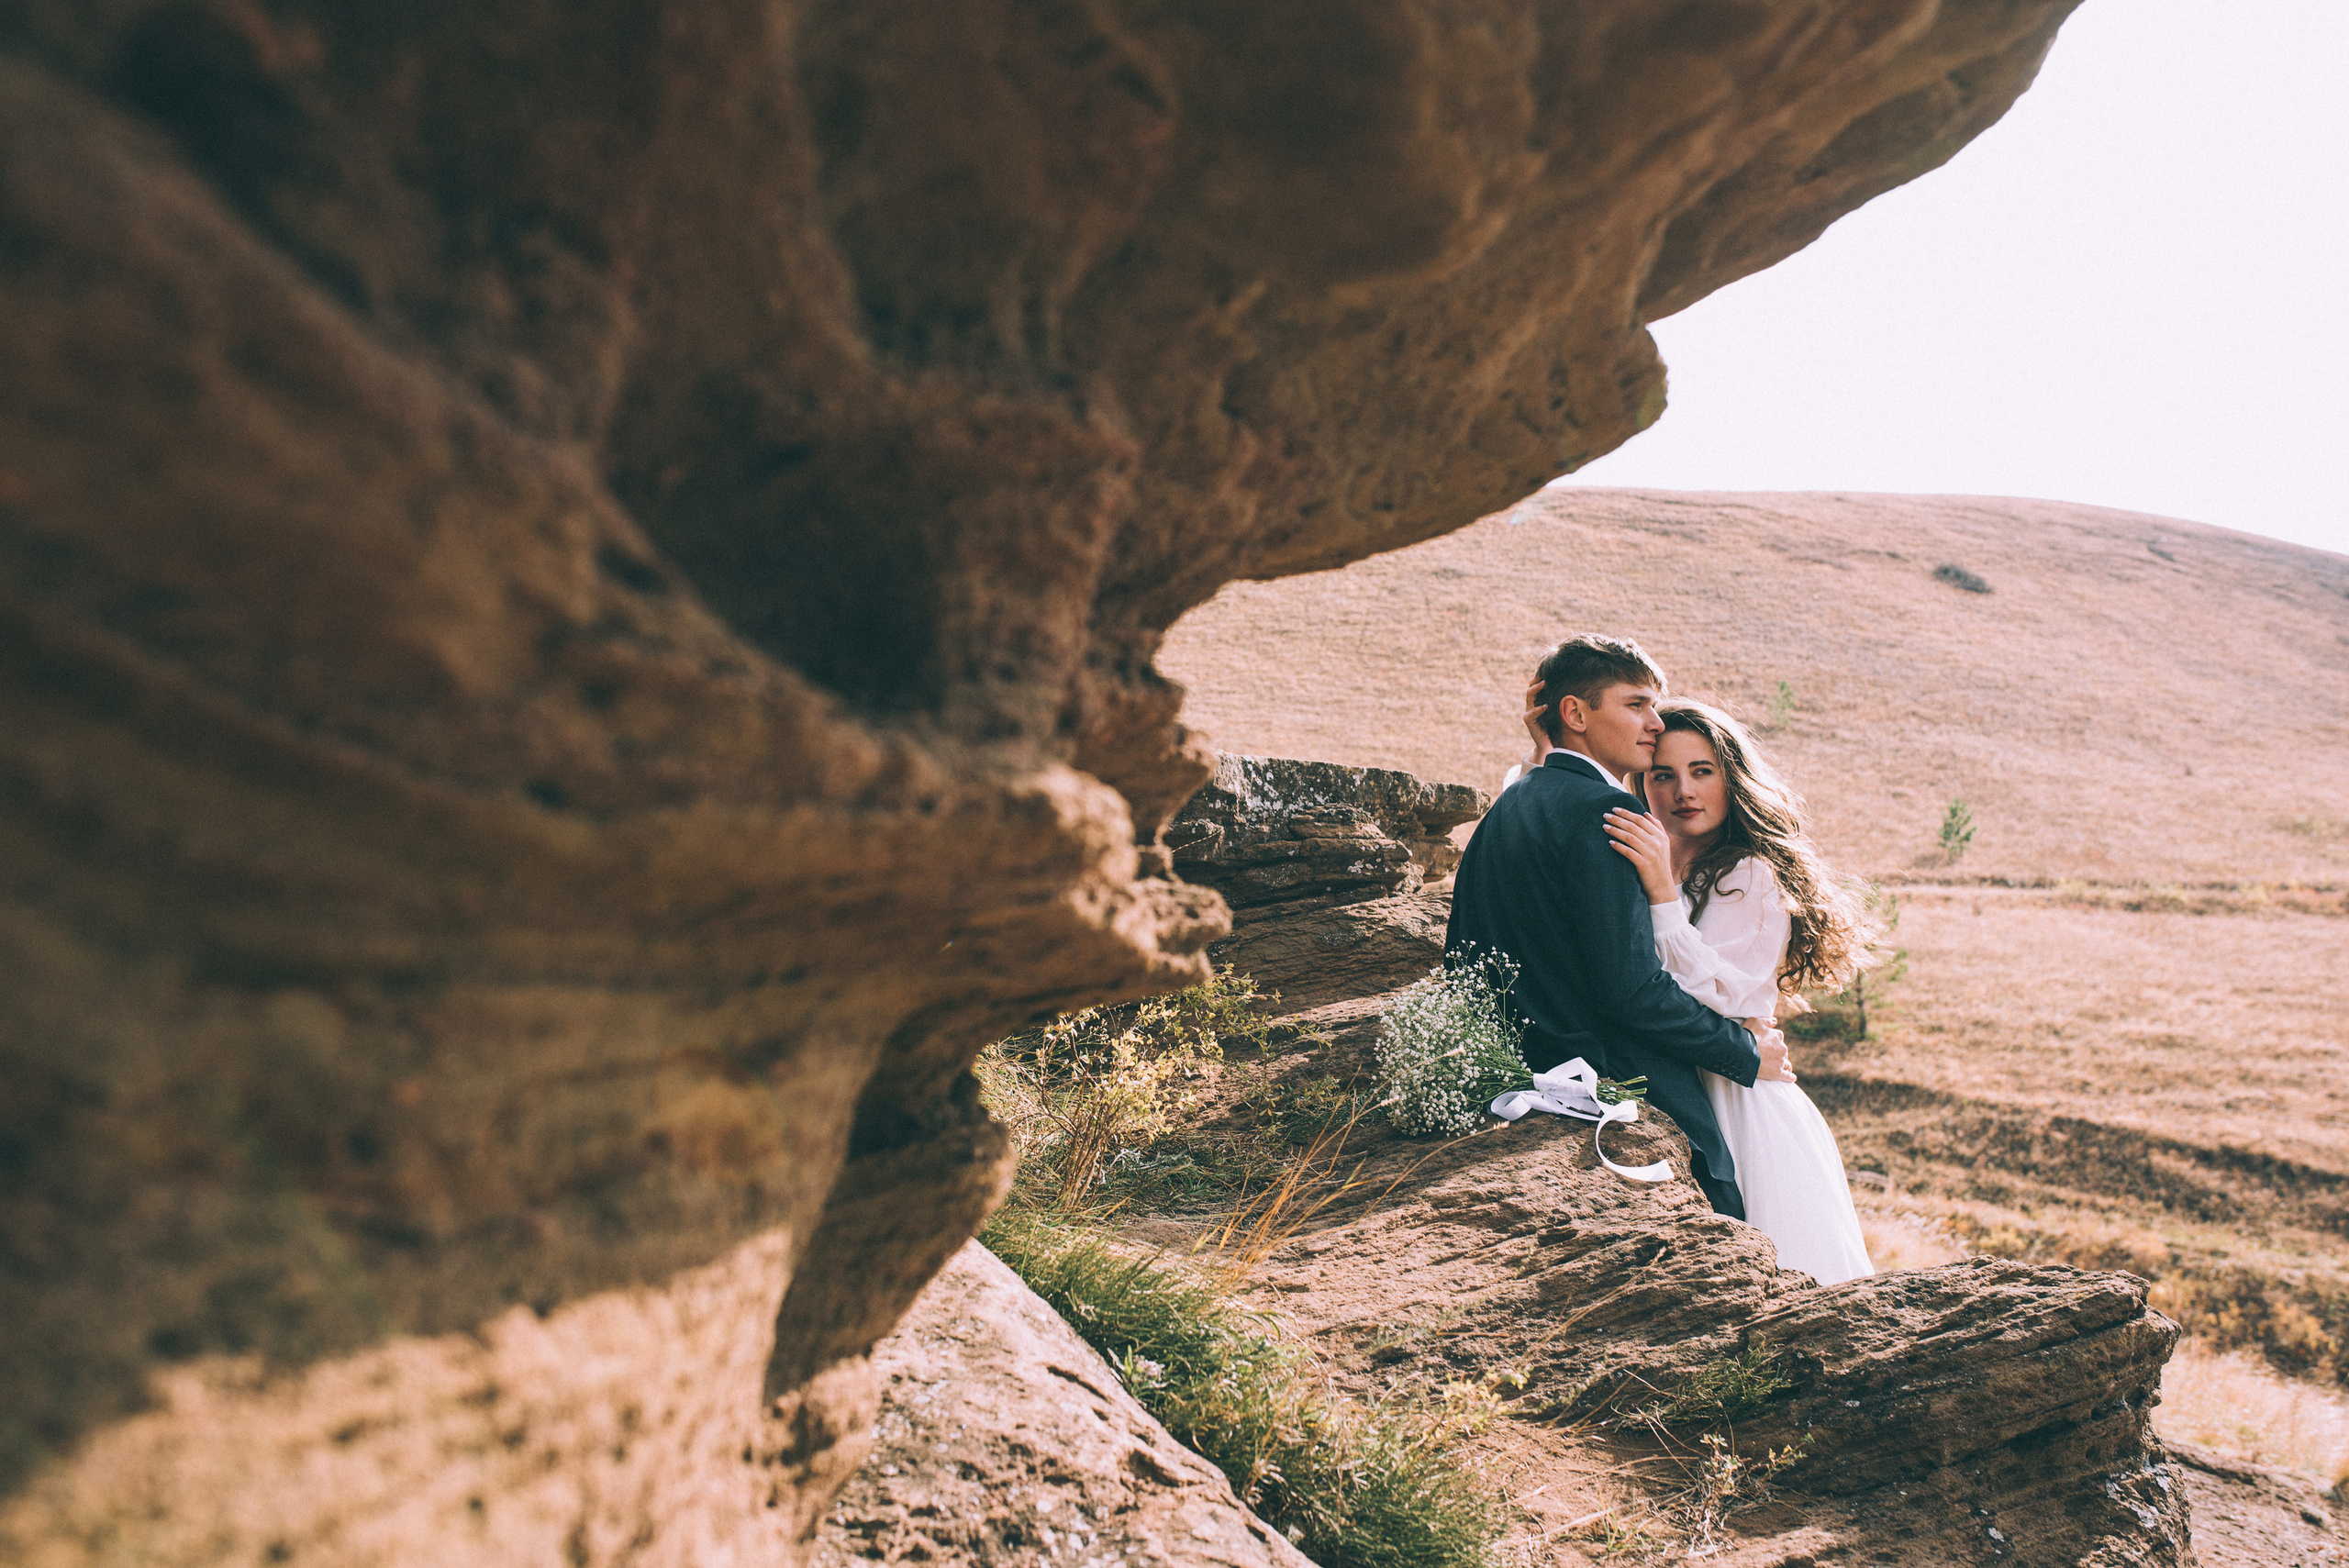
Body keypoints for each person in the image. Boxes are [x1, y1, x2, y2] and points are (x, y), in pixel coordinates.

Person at [1445, 636, 1793, 1219]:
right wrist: (1745, 1052)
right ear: (1576, 713)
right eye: (1636, 705)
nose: (1654, 723)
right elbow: (1631, 990)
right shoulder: (1609, 812)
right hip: (1617, 1081)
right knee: (1730, 1225)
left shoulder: (1510, 804)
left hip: (1523, 1071)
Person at [1574, 698, 1877, 1284]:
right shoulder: (1636, 858)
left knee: (1778, 1277)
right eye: (1663, 775)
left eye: (1701, 771)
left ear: (1731, 778)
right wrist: (1547, 745)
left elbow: (1716, 994)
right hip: (1663, 1085)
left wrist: (1662, 893)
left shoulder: (1751, 874)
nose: (1682, 791)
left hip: (1742, 1099)